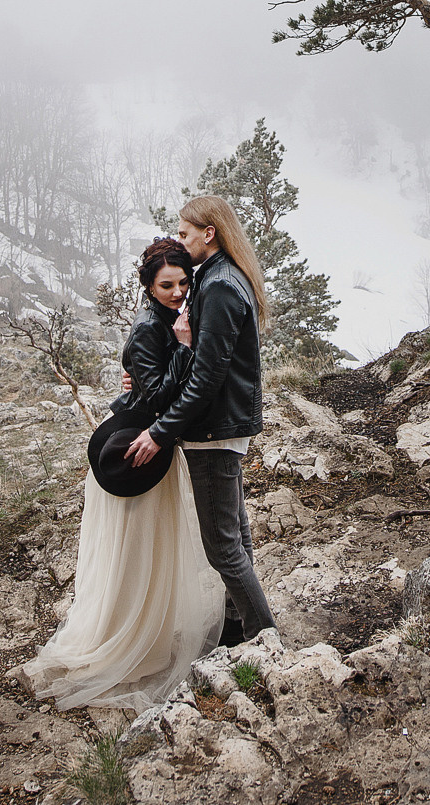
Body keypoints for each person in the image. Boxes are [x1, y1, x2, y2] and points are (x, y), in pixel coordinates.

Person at [21, 238, 225, 710]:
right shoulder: (156, 331)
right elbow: (155, 400)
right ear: (149, 287)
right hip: (136, 455)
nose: (177, 292)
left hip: (148, 448)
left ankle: (143, 640)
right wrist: (184, 347)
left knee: (146, 553)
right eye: (166, 285)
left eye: (182, 282)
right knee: (134, 554)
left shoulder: (166, 318)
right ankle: (125, 646)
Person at [126, 195, 277, 646]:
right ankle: (237, 629)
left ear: (208, 233)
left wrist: (159, 431)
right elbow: (200, 363)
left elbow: (208, 376)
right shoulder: (216, 279)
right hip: (222, 425)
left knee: (223, 547)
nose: (181, 239)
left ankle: (263, 638)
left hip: (214, 430)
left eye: (186, 233)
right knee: (236, 535)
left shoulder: (219, 286)